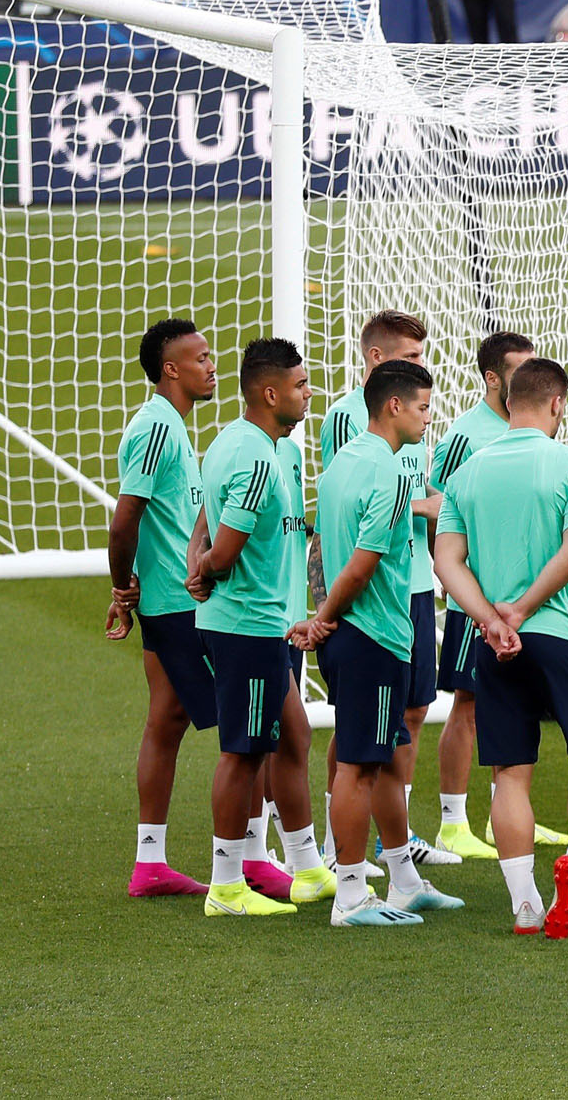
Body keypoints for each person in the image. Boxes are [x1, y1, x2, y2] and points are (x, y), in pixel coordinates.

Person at [434, 357, 568, 938]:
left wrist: (492, 618)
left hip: (494, 645)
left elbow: (447, 563)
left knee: (509, 772)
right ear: (557, 404)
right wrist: (522, 609)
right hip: (561, 633)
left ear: (509, 401)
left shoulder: (468, 472)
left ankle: (524, 905)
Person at [305, 359, 464, 926]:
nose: (429, 417)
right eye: (423, 406)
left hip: (358, 634)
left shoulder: (342, 462)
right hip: (373, 634)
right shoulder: (395, 472)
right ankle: (350, 896)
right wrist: (324, 616)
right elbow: (362, 565)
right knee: (359, 767)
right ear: (393, 405)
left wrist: (323, 618)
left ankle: (402, 878)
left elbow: (323, 546)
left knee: (384, 759)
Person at [186, 337, 330, 915]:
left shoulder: (274, 449)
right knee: (242, 753)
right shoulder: (250, 456)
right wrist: (207, 566)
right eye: (299, 386)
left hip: (272, 622)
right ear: (270, 394)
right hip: (245, 623)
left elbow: (204, 515)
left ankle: (308, 867)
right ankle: (224, 886)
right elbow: (226, 544)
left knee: (293, 738)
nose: (308, 393)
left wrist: (198, 560)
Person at [428, 331, 563, 856]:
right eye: (518, 367)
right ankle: (453, 821)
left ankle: (506, 813)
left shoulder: (531, 431)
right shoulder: (466, 435)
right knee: (468, 700)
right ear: (492, 377)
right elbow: (437, 501)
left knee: (511, 700)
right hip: (477, 597)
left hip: (522, 595)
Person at [107, 318, 218, 897]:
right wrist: (122, 585)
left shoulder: (172, 425)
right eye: (200, 357)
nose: (211, 364)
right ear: (170, 368)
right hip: (179, 604)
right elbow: (126, 517)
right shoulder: (155, 428)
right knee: (257, 723)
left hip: (173, 597)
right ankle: (255, 859)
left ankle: (150, 863)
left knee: (168, 718)